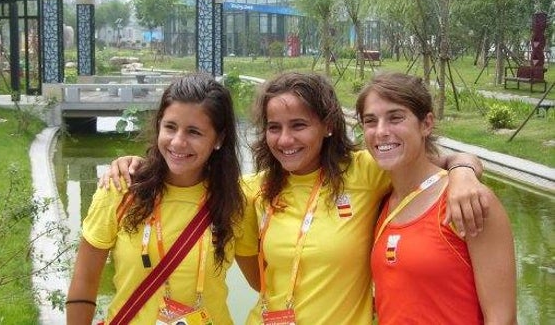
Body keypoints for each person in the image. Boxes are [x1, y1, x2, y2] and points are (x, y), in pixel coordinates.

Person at [103, 72, 491, 324]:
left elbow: (429, 161)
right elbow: (259, 280)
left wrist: (463, 171)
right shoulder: (252, 191)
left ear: (327, 126)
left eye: (299, 125)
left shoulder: (364, 171)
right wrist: (135, 164)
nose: (285, 140)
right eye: (274, 127)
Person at [66, 74, 251, 325]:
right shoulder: (122, 188)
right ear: (158, 126)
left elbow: (268, 281)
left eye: (194, 132)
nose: (177, 142)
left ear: (218, 139)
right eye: (170, 127)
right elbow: (84, 282)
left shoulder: (236, 200)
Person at [356, 72, 516, 324]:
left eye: (395, 118)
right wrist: (462, 165)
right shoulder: (382, 199)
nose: (381, 131)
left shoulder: (469, 200)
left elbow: (502, 318)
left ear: (426, 124)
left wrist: (463, 171)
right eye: (370, 121)